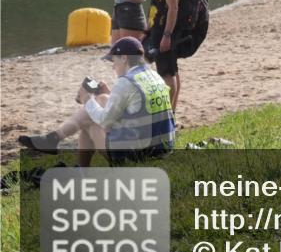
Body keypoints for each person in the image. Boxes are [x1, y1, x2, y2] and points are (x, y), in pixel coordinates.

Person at [17, 37, 175, 166]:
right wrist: (109, 95)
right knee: (102, 99)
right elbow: (139, 105)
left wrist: (87, 99)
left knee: (89, 121)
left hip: (142, 154)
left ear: (124, 58)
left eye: (114, 61)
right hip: (163, 147)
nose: (113, 67)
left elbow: (105, 122)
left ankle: (58, 145)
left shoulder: (126, 82)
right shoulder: (153, 75)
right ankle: (54, 140)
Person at [146, 0, 182, 111]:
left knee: (167, 74)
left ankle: (166, 116)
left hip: (164, 30)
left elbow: (172, 8)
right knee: (171, 71)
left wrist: (167, 35)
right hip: (159, 28)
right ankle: (171, 115)